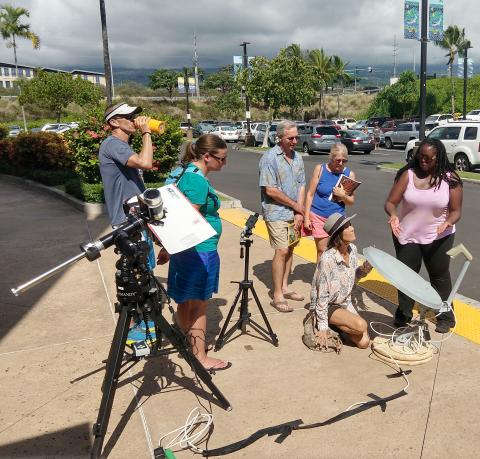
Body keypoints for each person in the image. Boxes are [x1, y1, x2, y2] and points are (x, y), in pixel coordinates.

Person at [166, 134, 231, 371]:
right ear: (207, 156)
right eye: (222, 159)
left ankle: (188, 341)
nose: (224, 164)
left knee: (185, 299)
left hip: (184, 250)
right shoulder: (198, 181)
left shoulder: (180, 172)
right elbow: (187, 219)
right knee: (199, 305)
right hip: (199, 250)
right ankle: (200, 356)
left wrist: (167, 248)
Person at [384, 138, 463, 333]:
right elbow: (390, 202)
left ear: (439, 157)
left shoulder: (450, 179)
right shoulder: (407, 175)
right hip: (407, 234)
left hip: (439, 236)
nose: (423, 161)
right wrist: (393, 215)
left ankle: (445, 315)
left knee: (439, 276)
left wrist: (448, 222)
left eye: (428, 158)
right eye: (420, 157)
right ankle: (404, 313)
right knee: (406, 277)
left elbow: (456, 211)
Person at [259, 120, 306, 312]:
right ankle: (277, 294)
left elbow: (302, 184)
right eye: (290, 138)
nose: (294, 141)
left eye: (296, 137)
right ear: (279, 138)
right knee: (282, 251)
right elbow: (270, 190)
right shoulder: (269, 158)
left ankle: (285, 287)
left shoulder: (298, 158)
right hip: (276, 212)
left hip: (294, 212)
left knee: (291, 249)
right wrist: (295, 206)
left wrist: (299, 211)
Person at [310, 212, 372, 349]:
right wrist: (322, 326)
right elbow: (322, 295)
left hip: (344, 303)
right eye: (347, 227)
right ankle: (329, 324)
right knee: (361, 325)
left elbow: (352, 278)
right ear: (339, 234)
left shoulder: (353, 250)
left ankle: (338, 327)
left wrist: (364, 270)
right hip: (329, 306)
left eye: (351, 225)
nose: (352, 228)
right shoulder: (328, 259)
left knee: (364, 343)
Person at [99, 102, 154, 227]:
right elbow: (145, 163)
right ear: (114, 122)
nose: (134, 120)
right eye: (129, 117)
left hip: (136, 216)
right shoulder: (112, 144)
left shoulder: (121, 145)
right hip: (126, 220)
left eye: (134, 116)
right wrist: (146, 132)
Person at [304, 143, 356, 262]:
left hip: (338, 219)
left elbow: (351, 201)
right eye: (338, 160)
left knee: (338, 250)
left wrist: (343, 196)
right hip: (318, 216)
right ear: (331, 158)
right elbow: (310, 194)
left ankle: (335, 277)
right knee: (322, 250)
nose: (341, 164)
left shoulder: (349, 174)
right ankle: (321, 278)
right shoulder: (320, 169)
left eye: (344, 161)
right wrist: (306, 217)